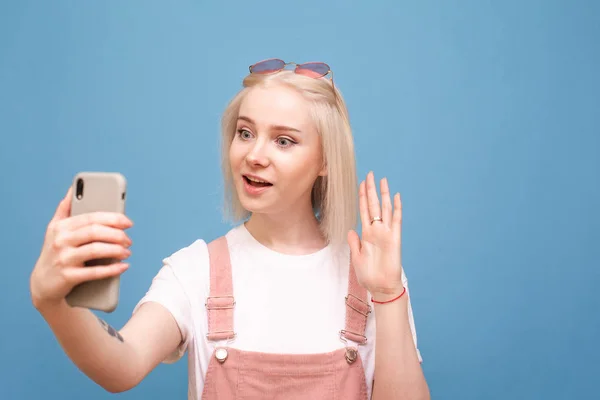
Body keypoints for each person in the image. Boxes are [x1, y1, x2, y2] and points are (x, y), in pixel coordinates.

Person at [29, 58, 430, 400]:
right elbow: (122, 364)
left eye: (284, 141)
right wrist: (54, 302)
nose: (254, 155)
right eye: (245, 132)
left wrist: (387, 295)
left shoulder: (372, 278)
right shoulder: (195, 271)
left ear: (326, 160)